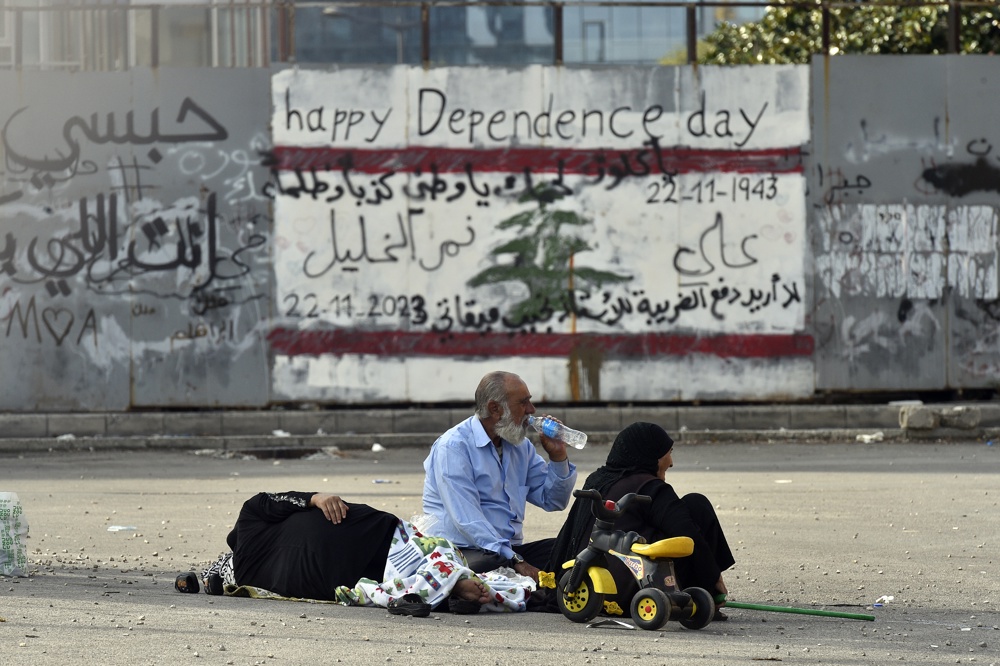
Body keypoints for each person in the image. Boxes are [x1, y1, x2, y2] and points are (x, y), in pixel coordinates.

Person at [200, 490, 531, 613]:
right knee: (419, 557)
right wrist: (312, 498)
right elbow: (267, 501)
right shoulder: (247, 545)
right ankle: (453, 580)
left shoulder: (243, 571)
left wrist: (314, 498)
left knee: (404, 574)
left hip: (348, 561)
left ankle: (451, 582)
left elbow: (265, 501)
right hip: (359, 541)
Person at [547, 421, 734, 618]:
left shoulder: (596, 480)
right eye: (668, 452)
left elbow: (570, 535)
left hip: (589, 594)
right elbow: (688, 535)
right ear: (651, 454)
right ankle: (701, 595)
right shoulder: (651, 487)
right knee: (697, 505)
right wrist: (714, 579)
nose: (671, 462)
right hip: (640, 595)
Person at [422, 370, 578, 583]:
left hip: (507, 550)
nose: (531, 411)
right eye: (523, 403)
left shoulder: (521, 446)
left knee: (571, 551)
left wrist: (558, 456)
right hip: (462, 550)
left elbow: (554, 501)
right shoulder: (453, 447)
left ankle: (515, 581)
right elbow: (467, 520)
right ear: (495, 409)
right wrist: (515, 559)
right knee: (491, 564)